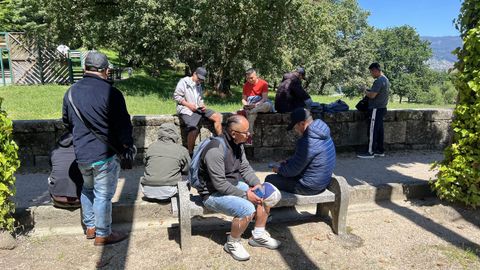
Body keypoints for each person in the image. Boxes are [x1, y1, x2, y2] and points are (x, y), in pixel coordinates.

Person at [62, 51, 133, 246]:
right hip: (104, 155)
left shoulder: (70, 92)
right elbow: (123, 125)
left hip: (82, 154)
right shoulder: (112, 93)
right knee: (103, 194)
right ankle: (103, 234)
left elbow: (67, 122)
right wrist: (127, 146)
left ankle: (90, 227)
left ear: (85, 68)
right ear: (106, 70)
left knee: (87, 189)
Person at [196, 115, 280, 261]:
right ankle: (232, 243)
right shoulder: (215, 150)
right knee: (247, 209)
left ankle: (258, 235)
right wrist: (246, 195)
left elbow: (245, 168)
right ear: (234, 133)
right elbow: (220, 184)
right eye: (246, 132)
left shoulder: (238, 144)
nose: (249, 134)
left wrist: (256, 184)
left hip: (232, 185)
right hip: (212, 194)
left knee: (266, 194)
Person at [265, 108, 336, 195]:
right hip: (322, 182)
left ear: (302, 124)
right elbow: (302, 159)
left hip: (309, 187)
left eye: (295, 127)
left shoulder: (307, 141)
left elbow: (293, 171)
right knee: (284, 172)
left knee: (270, 179)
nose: (295, 130)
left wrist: (279, 169)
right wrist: (287, 162)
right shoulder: (321, 131)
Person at [173, 67, 223, 155]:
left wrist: (202, 105)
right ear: (194, 74)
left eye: (201, 80)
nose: (200, 81)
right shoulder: (184, 82)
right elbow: (176, 96)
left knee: (217, 117)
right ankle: (190, 153)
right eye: (199, 78)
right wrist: (189, 105)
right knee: (193, 129)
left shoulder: (199, 84)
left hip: (197, 108)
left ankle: (221, 143)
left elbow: (200, 99)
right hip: (185, 109)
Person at [140, 123, 191, 201]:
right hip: (169, 193)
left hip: (147, 191)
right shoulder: (181, 150)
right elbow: (187, 169)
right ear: (175, 134)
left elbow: (145, 164)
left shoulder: (151, 147)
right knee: (187, 174)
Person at [357, 62, 390, 159]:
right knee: (379, 131)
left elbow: (372, 95)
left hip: (376, 109)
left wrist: (364, 90)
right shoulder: (386, 79)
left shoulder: (379, 81)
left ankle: (370, 152)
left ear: (375, 70)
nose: (371, 75)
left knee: (372, 131)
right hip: (382, 108)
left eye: (371, 72)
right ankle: (380, 150)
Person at [48, 132, 83, 208]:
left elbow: (51, 167)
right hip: (80, 200)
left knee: (52, 175)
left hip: (57, 199)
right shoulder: (81, 149)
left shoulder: (54, 151)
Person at [240, 68, 272, 143]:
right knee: (251, 114)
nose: (250, 80)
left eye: (251, 78)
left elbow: (264, 99)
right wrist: (246, 105)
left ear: (256, 76)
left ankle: (252, 111)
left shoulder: (263, 83)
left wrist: (254, 106)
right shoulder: (246, 85)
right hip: (251, 106)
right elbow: (243, 99)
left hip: (260, 105)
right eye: (248, 78)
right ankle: (250, 135)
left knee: (267, 104)